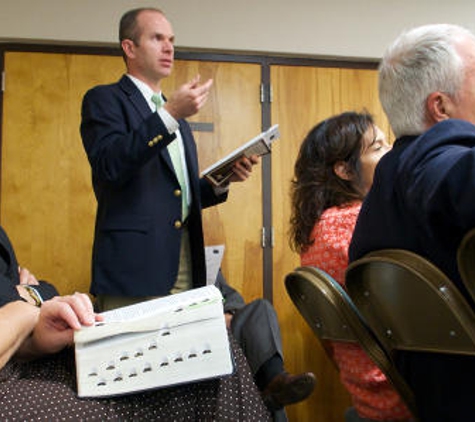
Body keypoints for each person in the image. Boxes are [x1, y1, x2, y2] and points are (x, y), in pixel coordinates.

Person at [80, 7, 258, 311]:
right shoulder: (105, 99)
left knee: (184, 355)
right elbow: (110, 166)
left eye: (172, 39)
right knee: (135, 358)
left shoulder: (176, 116)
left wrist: (223, 178)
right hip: (135, 268)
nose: (169, 47)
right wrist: (171, 113)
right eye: (157, 38)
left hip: (186, 258)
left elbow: (179, 195)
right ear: (129, 47)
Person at [0, 224, 271, 420]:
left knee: (216, 346)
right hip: (13, 383)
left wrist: (32, 326)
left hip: (28, 357)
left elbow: (38, 294)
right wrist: (26, 307)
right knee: (207, 377)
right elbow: (22, 302)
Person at [348, 24, 475, 422]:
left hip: (438, 395)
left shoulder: (388, 178)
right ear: (441, 107)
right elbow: (455, 180)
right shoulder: (434, 157)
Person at [289, 111, 414, 422]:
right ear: (344, 169)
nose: (391, 152)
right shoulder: (359, 223)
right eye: (378, 147)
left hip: (368, 396)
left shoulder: (321, 226)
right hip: (407, 393)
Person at [215, 270, 316, 413]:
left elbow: (230, 295)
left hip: (222, 327)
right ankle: (271, 391)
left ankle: (276, 380)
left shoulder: (203, 260)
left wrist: (229, 312)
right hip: (188, 332)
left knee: (261, 307)